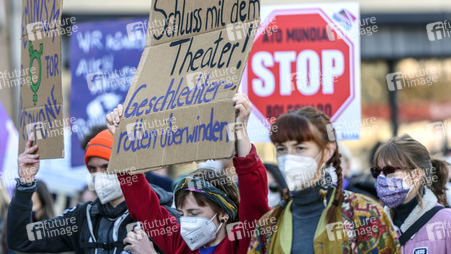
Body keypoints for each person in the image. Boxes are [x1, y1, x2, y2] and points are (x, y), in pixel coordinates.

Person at [106, 93, 270, 254]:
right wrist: (123, 144)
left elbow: (254, 196)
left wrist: (240, 128)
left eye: (194, 213)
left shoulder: (242, 242)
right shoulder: (180, 245)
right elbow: (144, 206)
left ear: (223, 214)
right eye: (182, 214)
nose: (186, 222)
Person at [248, 107, 400, 253]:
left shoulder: (364, 214)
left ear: (327, 151)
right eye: (281, 149)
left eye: (300, 148)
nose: (289, 158)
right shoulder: (268, 225)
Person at [7, 129, 176, 253]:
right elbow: (21, 238)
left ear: (127, 167)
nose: (99, 175)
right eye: (93, 169)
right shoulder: (80, 218)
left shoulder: (161, 217)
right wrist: (25, 183)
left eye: (106, 167)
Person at [372, 134, 451, 252]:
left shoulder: (446, 221)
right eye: (377, 171)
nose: (381, 178)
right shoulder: (374, 226)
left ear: (416, 174)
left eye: (389, 170)